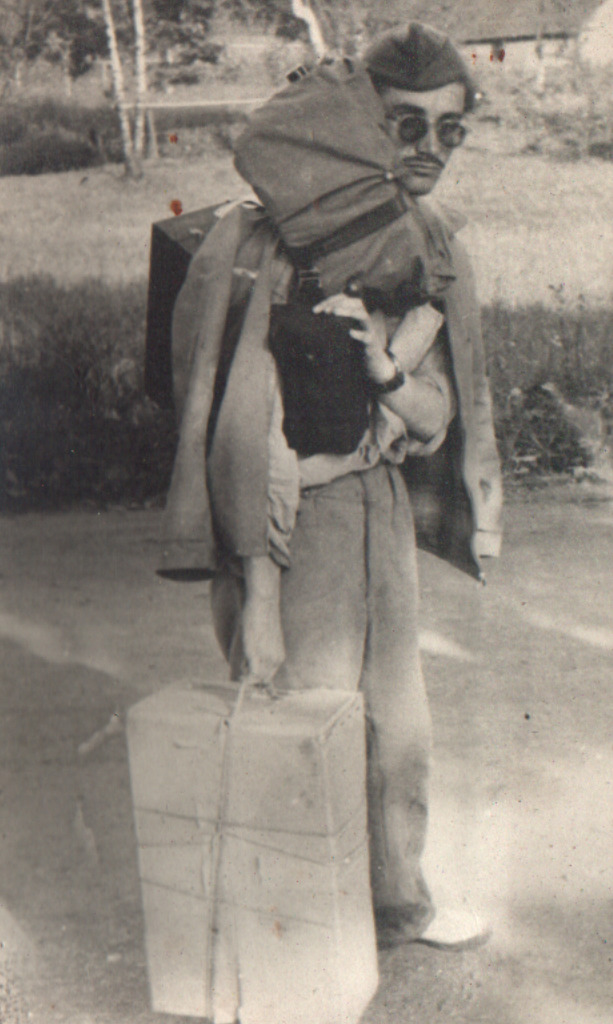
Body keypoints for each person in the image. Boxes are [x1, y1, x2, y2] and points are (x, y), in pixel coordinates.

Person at [160, 23, 502, 950]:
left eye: (449, 130)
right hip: (292, 517)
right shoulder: (276, 246)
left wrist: (385, 372)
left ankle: (400, 906)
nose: (429, 149)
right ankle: (299, 938)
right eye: (405, 126)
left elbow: (436, 416)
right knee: (304, 718)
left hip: (378, 506)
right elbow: (244, 434)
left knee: (400, 727)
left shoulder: (425, 248)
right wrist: (261, 591)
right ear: (355, 125)